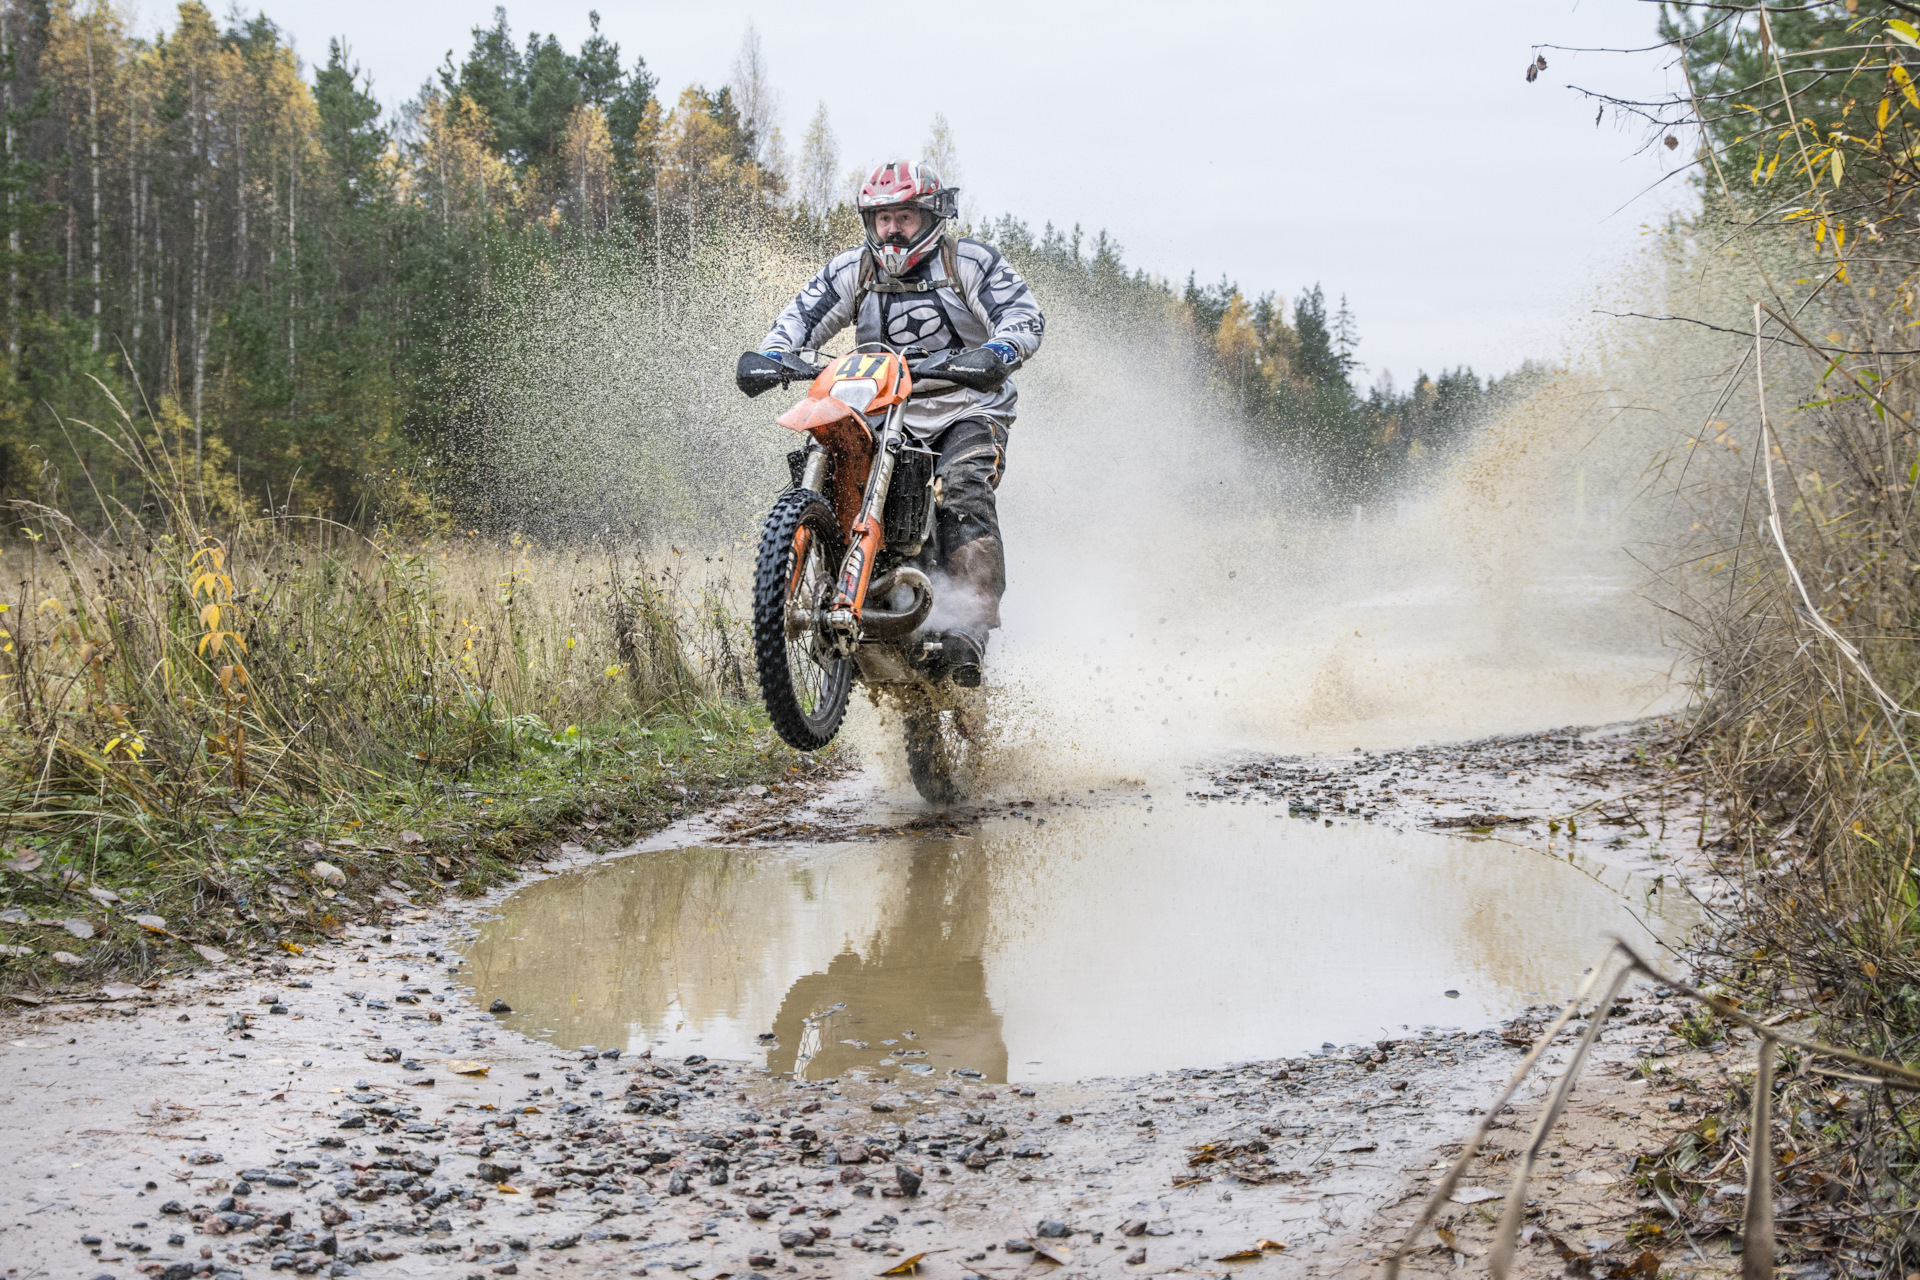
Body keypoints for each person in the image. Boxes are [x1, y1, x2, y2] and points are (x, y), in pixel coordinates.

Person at [757, 159, 1044, 687]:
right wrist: (773, 354)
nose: (892, 229)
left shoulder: (970, 261)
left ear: (931, 215)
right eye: (882, 216)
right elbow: (799, 318)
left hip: (965, 405)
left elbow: (1022, 315)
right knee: (833, 464)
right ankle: (832, 583)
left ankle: (967, 633)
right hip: (883, 408)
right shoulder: (853, 269)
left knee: (963, 491)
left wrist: (1000, 350)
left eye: (905, 216)